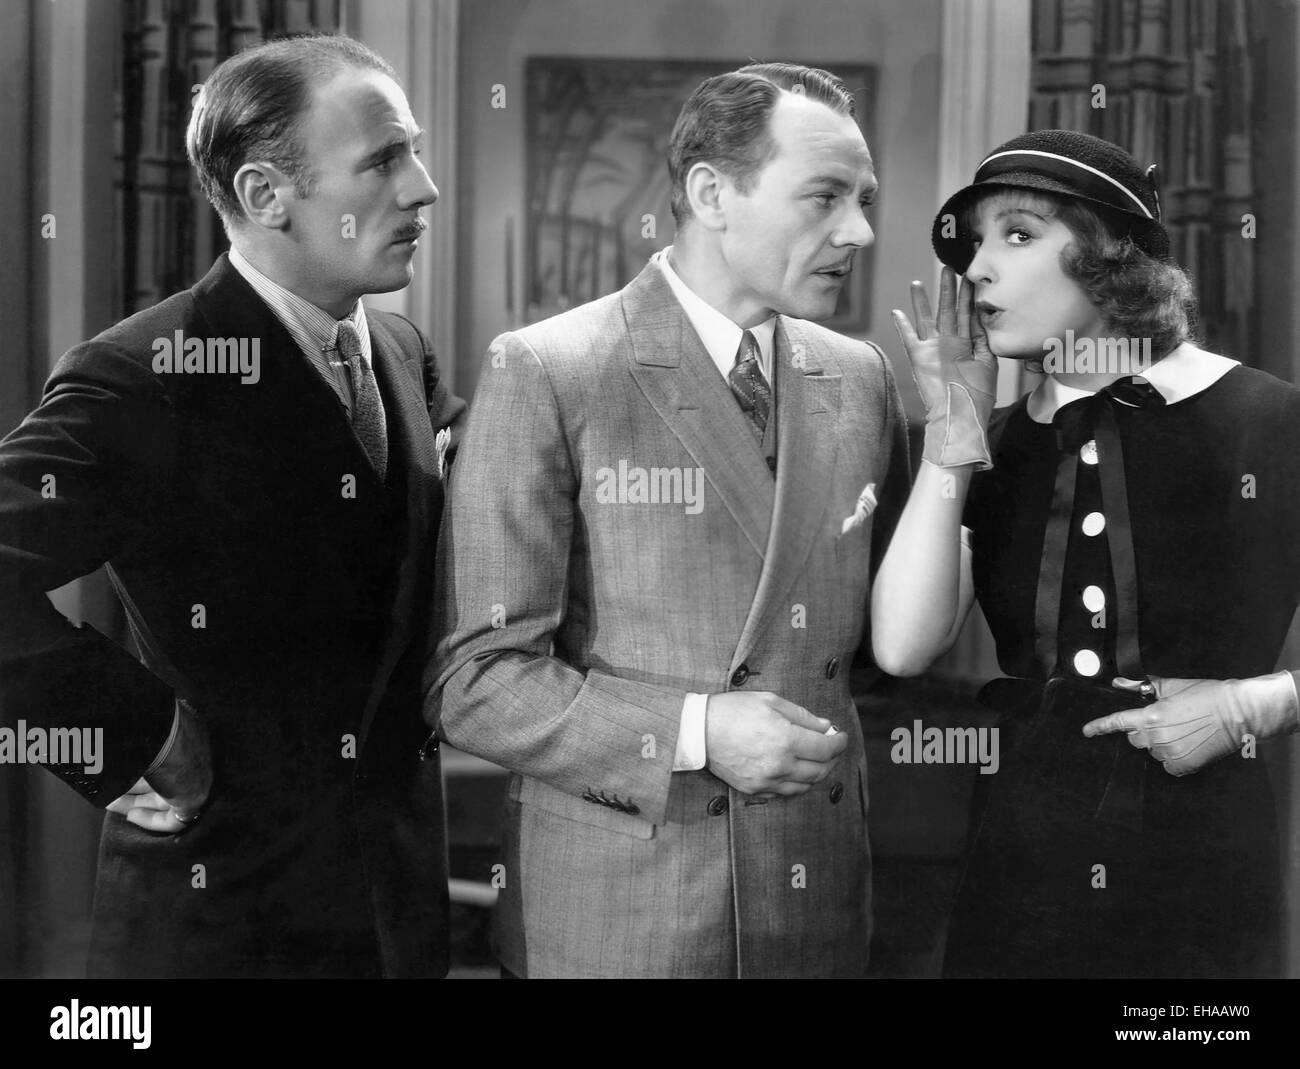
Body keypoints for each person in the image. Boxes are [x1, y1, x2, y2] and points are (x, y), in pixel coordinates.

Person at [427, 62, 909, 978]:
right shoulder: (553, 370)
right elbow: (477, 681)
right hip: (626, 913)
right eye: (825, 198)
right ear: (709, 193)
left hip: (814, 906)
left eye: (865, 199)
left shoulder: (862, 377)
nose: (859, 231)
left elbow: (892, 638)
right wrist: (697, 732)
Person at [0, 33, 465, 977]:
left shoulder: (404, 350)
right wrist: (138, 735)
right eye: (382, 160)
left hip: (398, 917)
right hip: (223, 926)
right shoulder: (139, 375)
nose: (422, 187)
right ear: (264, 196)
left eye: (412, 151)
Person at [873, 129, 1299, 978]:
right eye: (976, 246)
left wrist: (1247, 707)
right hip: (1019, 856)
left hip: (1204, 861)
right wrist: (955, 427)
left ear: (1114, 260)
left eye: (1018, 235)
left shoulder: (1268, 420)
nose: (978, 270)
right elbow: (902, 645)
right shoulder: (985, 443)